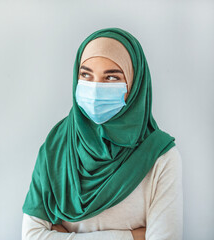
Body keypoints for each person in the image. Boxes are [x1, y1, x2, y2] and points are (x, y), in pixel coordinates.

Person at [21, 28, 183, 240]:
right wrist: (133, 237)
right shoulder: (55, 148)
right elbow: (32, 236)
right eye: (86, 75)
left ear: (135, 86)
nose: (96, 89)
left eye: (111, 78)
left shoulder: (161, 157)